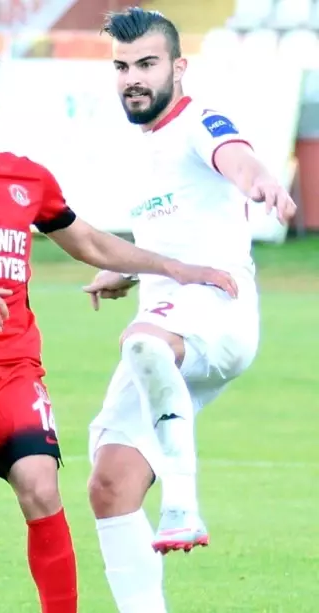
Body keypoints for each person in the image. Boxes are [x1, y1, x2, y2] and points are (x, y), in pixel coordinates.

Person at [0, 40, 239, 613]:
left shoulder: (25, 178)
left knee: (41, 486)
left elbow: (85, 240)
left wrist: (170, 265)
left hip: (13, 369)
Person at [83, 8, 297, 613]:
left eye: (147, 64)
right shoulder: (143, 145)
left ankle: (182, 503)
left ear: (178, 67)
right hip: (171, 321)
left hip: (218, 310)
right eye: (123, 67)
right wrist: (123, 271)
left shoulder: (198, 119)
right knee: (110, 482)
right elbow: (172, 232)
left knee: (143, 341)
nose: (134, 78)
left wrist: (262, 183)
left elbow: (235, 155)